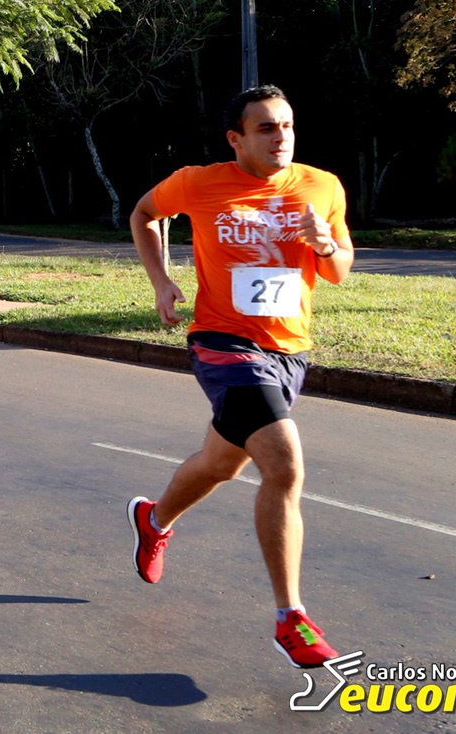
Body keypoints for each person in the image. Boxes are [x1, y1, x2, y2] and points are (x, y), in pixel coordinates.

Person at [126, 84, 354, 670]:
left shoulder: (322, 186)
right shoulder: (199, 183)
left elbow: (339, 270)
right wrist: (161, 281)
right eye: (266, 128)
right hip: (223, 343)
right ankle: (291, 618)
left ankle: (153, 519)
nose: (281, 138)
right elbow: (144, 214)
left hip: (289, 350)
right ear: (237, 138)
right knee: (284, 462)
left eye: (288, 125)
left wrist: (324, 245)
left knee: (221, 464)